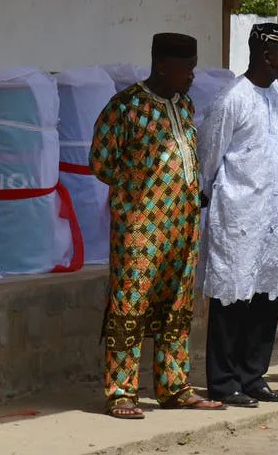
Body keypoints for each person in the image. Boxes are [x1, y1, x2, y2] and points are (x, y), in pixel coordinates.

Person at [90, 33, 226, 419]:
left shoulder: (184, 104)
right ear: (162, 66)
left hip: (184, 225)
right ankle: (121, 393)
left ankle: (174, 387)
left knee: (177, 308)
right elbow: (101, 163)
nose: (193, 76)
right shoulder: (125, 107)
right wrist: (141, 190)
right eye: (187, 68)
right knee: (129, 306)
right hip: (140, 227)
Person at [197, 22, 278, 408]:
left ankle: (253, 376)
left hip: (272, 217)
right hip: (238, 216)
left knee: (266, 298)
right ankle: (224, 382)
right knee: (232, 300)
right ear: (266, 56)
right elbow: (208, 158)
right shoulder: (231, 99)